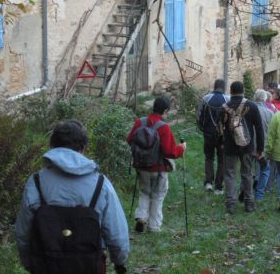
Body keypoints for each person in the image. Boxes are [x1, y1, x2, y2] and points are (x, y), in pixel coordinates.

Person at [15, 120, 129, 274]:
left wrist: (28, 262)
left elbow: (23, 231)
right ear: (83, 148)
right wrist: (119, 262)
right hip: (89, 264)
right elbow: (117, 233)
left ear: (52, 145)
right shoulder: (101, 184)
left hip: (45, 264)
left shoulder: (36, 182)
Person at [127, 97, 186, 232]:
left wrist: (140, 153)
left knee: (144, 192)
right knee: (158, 195)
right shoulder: (163, 127)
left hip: (141, 167)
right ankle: (154, 226)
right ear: (165, 111)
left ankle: (141, 217)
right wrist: (182, 148)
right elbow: (170, 152)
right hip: (158, 168)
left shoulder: (139, 122)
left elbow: (130, 139)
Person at [218, 81, 264, 214]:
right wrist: (260, 149)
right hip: (247, 146)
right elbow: (259, 129)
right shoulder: (252, 105)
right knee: (247, 174)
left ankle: (230, 204)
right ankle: (249, 203)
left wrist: (222, 143)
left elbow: (220, 129)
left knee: (229, 174)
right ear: (243, 91)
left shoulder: (224, 107)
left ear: (231, 91)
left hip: (230, 146)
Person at [196, 79, 230, 194]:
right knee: (222, 160)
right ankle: (219, 187)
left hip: (208, 133)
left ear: (214, 86)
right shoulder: (227, 99)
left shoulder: (206, 99)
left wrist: (201, 128)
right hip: (223, 135)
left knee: (209, 158)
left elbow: (199, 115)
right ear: (224, 87)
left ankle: (209, 183)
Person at [252, 89, 274, 200]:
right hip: (263, 146)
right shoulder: (270, 113)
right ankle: (259, 194)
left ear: (255, 97)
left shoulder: (247, 111)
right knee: (265, 170)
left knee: (246, 169)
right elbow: (273, 132)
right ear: (265, 99)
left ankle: (244, 190)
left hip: (249, 145)